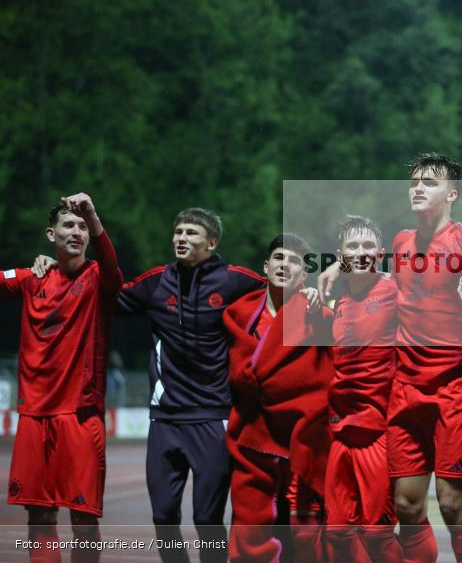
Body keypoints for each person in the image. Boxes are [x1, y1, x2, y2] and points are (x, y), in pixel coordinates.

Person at [319, 153, 462, 563]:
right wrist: (336, 266)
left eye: (429, 182)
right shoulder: (398, 242)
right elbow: (375, 273)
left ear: (452, 193)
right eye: (413, 181)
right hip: (406, 390)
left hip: (454, 388)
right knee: (408, 506)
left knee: (450, 502)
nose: (417, 187)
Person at [117, 208, 265, 563]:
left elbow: (281, 291)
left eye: (191, 233)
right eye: (178, 231)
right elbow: (104, 294)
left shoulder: (234, 280)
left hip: (213, 418)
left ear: (211, 243)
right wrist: (62, 266)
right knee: (163, 516)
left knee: (207, 519)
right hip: (165, 420)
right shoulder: (155, 282)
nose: (181, 238)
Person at [1, 193, 123, 563]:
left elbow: (114, 268)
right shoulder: (29, 279)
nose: (78, 231)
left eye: (83, 227)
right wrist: (41, 264)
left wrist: (93, 215)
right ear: (50, 234)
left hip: (80, 416)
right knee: (40, 517)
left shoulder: (98, 277)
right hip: (35, 415)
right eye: (69, 224)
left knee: (84, 520)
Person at [223, 233, 333, 563]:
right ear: (266, 265)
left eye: (295, 261)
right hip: (253, 431)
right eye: (280, 257)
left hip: (303, 433)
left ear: (305, 276)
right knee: (251, 522)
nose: (285, 265)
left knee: (305, 526)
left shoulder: (317, 315)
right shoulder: (238, 314)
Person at [325, 216, 402, 562]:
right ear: (341, 255)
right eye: (353, 246)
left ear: (381, 253)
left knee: (378, 533)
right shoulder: (334, 303)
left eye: (368, 246)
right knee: (338, 532)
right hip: (341, 432)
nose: (361, 252)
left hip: (380, 430)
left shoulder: (397, 289)